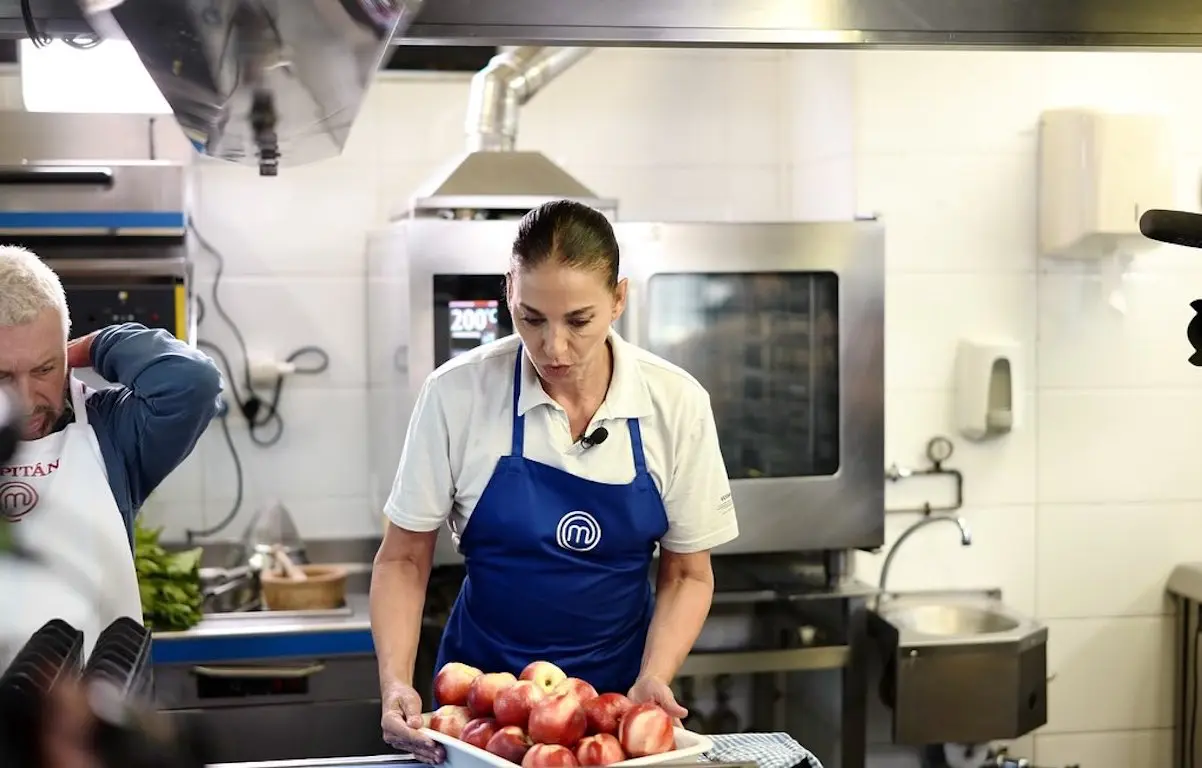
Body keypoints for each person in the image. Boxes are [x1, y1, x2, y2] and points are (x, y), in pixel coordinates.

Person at [371, 200, 739, 762]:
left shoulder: (675, 403)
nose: (553, 348)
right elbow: (402, 559)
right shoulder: (457, 394)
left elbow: (688, 572)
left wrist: (655, 678)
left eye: (579, 320)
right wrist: (397, 684)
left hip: (615, 708)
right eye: (531, 318)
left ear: (619, 298)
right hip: (482, 710)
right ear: (509, 296)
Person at [0, 245, 222, 668]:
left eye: (45, 369)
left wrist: (97, 345)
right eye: (2, 376)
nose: (27, 401)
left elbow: (193, 382)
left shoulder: (111, 430)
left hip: (94, 714)